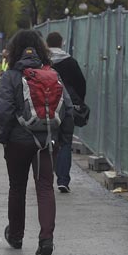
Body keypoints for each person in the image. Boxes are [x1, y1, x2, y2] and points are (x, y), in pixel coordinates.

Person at [0, 30, 74, 255]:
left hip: (18, 142)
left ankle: (16, 235)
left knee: (17, 187)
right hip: (46, 141)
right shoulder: (51, 73)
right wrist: (62, 139)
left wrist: (4, 136)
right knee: (45, 188)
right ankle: (46, 239)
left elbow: (4, 109)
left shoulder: (11, 75)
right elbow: (67, 109)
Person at [46, 31, 87, 194]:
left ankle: (45, 178)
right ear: (62, 43)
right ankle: (63, 180)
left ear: (47, 44)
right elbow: (81, 84)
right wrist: (78, 101)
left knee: (47, 141)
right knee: (66, 142)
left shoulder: (44, 62)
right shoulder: (70, 62)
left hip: (47, 106)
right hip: (67, 107)